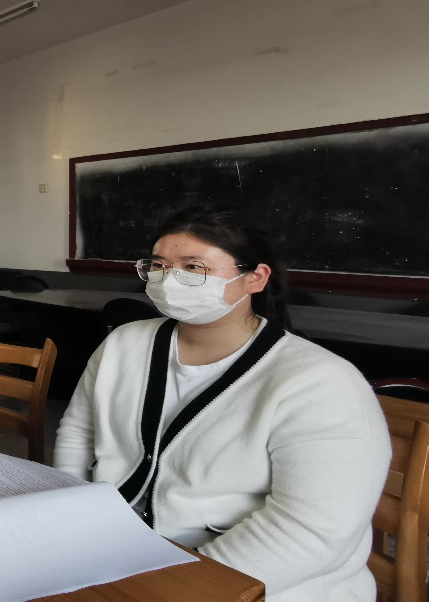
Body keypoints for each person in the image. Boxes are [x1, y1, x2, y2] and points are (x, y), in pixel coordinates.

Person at [54, 204, 390, 602]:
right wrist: (72, 515)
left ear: (255, 278)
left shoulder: (318, 382)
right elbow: (79, 431)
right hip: (116, 549)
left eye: (193, 267)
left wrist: (181, 585)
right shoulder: (124, 343)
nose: (168, 279)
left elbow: (312, 531)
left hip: (252, 582)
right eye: (158, 265)